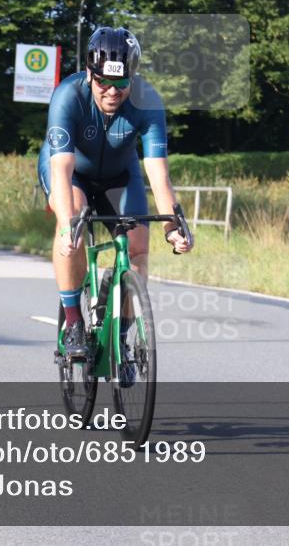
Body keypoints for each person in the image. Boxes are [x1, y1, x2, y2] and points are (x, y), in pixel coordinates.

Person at [37, 26, 192, 359]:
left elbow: (158, 173)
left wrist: (172, 228)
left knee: (137, 249)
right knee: (74, 223)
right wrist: (66, 223)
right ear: (90, 74)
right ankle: (74, 320)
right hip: (71, 171)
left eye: (121, 83)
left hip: (120, 175)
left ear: (132, 79)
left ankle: (119, 336)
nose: (111, 91)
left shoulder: (147, 102)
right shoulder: (68, 95)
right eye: (102, 81)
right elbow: (61, 169)